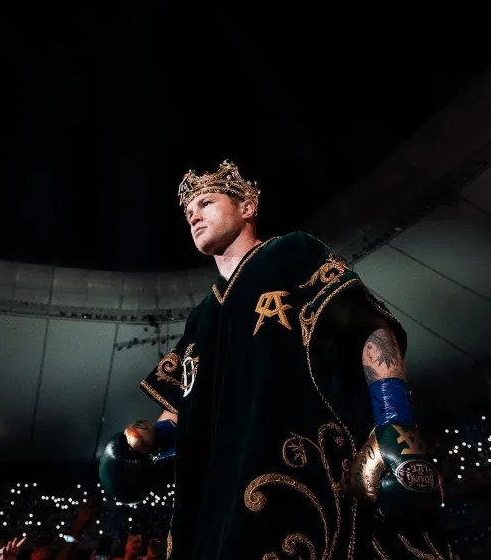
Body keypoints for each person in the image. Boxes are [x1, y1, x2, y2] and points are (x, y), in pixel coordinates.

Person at [99, 160, 450, 559]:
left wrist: (395, 421)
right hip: (219, 512)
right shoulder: (201, 318)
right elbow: (186, 410)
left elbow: (368, 328)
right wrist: (144, 445)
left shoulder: (292, 252)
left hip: (306, 490)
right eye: (188, 212)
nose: (193, 215)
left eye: (206, 203)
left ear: (247, 207)